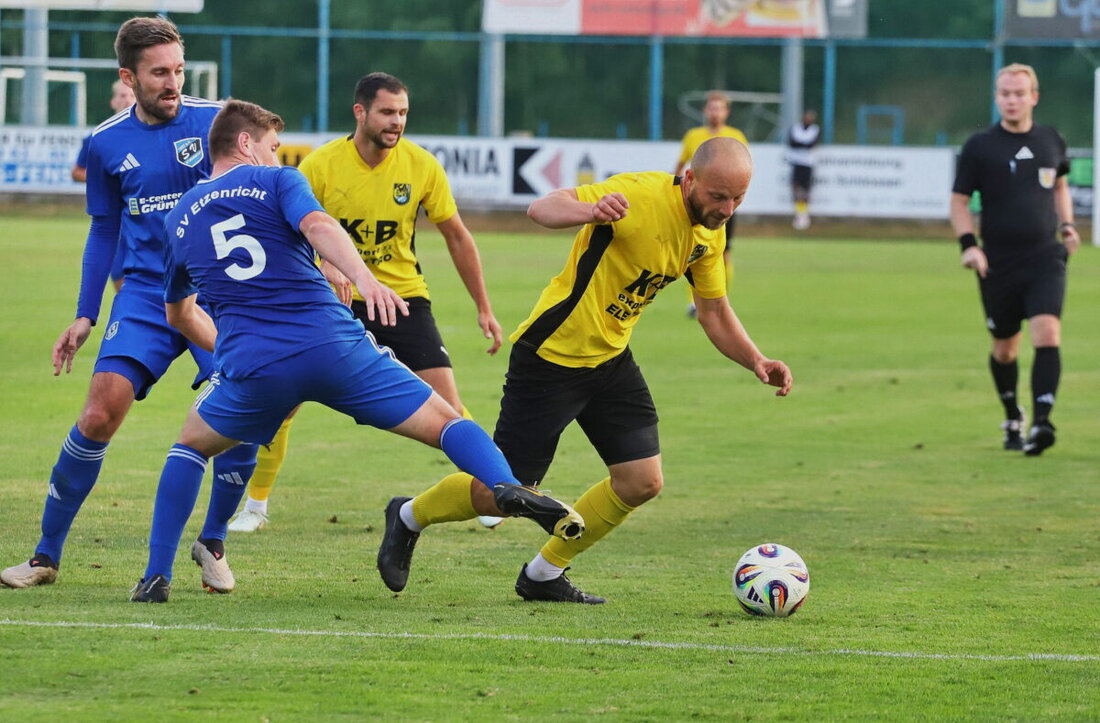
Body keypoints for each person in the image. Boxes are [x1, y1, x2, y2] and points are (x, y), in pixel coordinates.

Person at [129, 99, 582, 602]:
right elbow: (319, 227)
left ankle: (155, 574)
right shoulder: (277, 181)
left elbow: (179, 315)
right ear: (245, 144)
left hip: (253, 366)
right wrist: (365, 278)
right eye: (273, 147)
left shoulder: (178, 220)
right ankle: (502, 484)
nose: (277, 157)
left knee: (191, 445)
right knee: (448, 421)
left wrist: (238, 350)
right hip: (332, 346)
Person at [376, 137, 793, 603]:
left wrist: (756, 359)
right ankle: (409, 515)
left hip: (610, 361)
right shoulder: (639, 197)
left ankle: (542, 573)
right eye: (719, 196)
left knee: (642, 481)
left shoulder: (708, 234)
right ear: (691, 179)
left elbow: (713, 312)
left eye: (739, 198)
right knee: (502, 494)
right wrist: (590, 212)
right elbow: (542, 209)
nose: (727, 209)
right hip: (550, 358)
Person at [0, 17, 260, 591]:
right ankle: (45, 556)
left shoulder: (218, 122)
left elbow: (265, 194)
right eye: (159, 73)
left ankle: (212, 539)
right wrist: (86, 312)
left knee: (243, 411)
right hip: (145, 293)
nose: (173, 83)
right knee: (99, 410)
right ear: (128, 76)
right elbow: (103, 230)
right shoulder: (106, 141)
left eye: (178, 71)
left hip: (217, 294)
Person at [227, 72, 506, 534]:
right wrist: (327, 267)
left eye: (402, 114)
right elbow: (290, 231)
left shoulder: (421, 166)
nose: (396, 122)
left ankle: (489, 489)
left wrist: (484, 307)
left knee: (448, 404)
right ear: (360, 112)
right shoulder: (321, 165)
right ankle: (254, 505)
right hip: (333, 301)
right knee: (281, 403)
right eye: (387, 113)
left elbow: (457, 236)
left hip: (402, 297)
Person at [950, 63, 1079, 456]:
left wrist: (1069, 226)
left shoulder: (1051, 140)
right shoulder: (979, 146)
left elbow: (1060, 187)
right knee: (1005, 348)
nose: (1012, 100)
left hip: (1044, 257)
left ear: (1033, 97)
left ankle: (1042, 422)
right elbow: (958, 202)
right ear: (997, 97)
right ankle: (1013, 414)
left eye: (1019, 93)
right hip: (998, 263)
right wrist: (970, 245)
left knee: (1048, 333)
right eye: (1005, 93)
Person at [675, 91, 746, 318]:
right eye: (712, 107)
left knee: (724, 252)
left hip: (724, 205)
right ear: (706, 111)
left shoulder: (736, 136)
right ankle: (693, 303)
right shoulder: (693, 136)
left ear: (726, 112)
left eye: (720, 108)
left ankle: (721, 300)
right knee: (692, 253)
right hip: (697, 206)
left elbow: (743, 168)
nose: (715, 112)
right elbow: (680, 167)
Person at [73, 80, 137, 292]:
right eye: (121, 95)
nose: (125, 100)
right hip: (115, 222)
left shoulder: (149, 135)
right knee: (121, 281)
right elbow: (77, 171)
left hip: (144, 218)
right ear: (112, 101)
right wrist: (107, 175)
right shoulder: (99, 137)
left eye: (129, 95)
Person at [787, 109, 820, 230]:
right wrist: (804, 144)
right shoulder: (795, 128)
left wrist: (801, 144)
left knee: (806, 191)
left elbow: (812, 144)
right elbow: (792, 143)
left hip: (808, 163)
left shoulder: (815, 129)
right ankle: (798, 214)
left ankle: (804, 215)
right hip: (796, 162)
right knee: (795, 189)